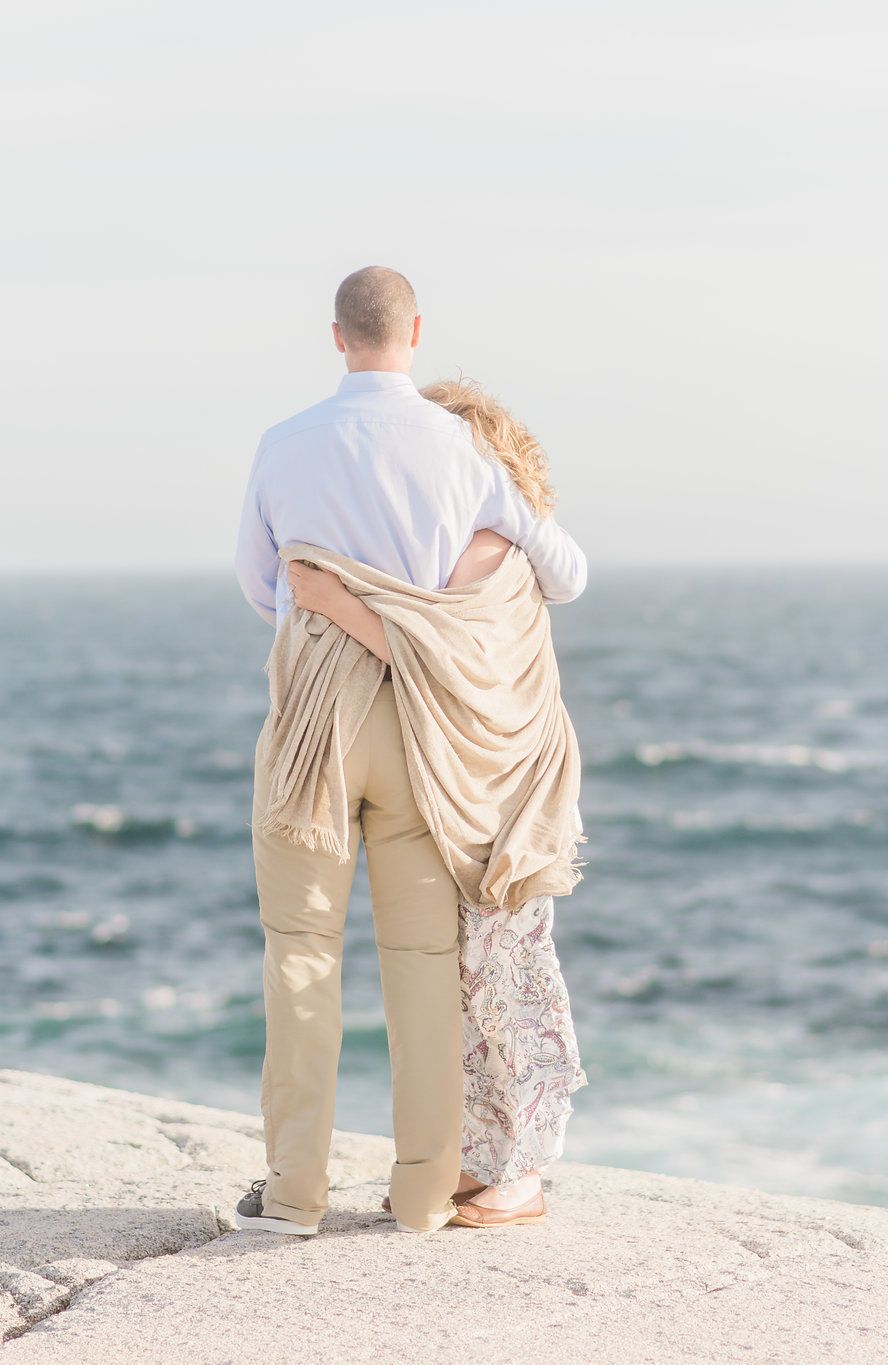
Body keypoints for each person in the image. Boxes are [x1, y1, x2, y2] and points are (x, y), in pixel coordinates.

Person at [234, 267, 586, 1237]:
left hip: (316, 719)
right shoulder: (462, 448)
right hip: (422, 730)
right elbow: (567, 571)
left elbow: (263, 587)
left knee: (301, 956)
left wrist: (339, 596)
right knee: (423, 961)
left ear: (336, 337)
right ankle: (425, 1195)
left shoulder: (284, 443)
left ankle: (294, 1197)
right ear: (416, 333)